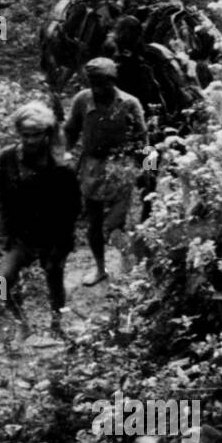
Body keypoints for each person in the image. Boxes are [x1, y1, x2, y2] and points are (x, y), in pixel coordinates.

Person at [0, 101, 81, 338]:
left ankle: (57, 323)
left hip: (53, 234)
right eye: (25, 135)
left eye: (36, 135)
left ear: (47, 134)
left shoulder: (62, 165)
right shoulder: (7, 158)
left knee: (54, 277)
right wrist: (6, 233)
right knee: (1, 282)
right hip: (21, 234)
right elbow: (3, 197)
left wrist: (62, 245)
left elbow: (72, 209)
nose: (30, 140)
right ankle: (21, 323)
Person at [63, 57, 148, 286]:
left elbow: (142, 139)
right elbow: (71, 130)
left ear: (113, 81)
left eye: (103, 83)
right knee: (94, 222)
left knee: (114, 225)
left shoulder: (129, 103)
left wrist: (148, 171)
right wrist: (63, 155)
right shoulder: (82, 100)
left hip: (120, 167)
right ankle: (100, 268)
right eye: (93, 83)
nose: (98, 89)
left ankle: (130, 268)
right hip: (91, 167)